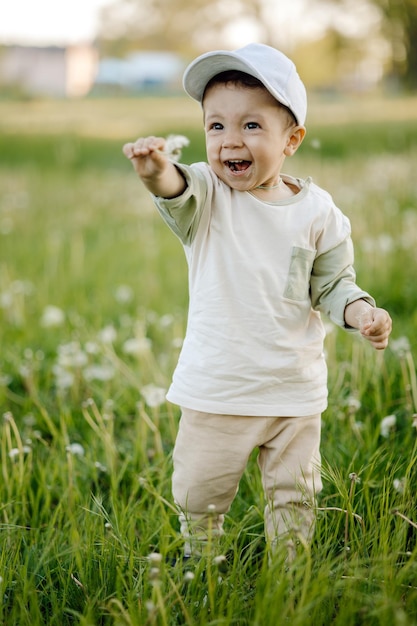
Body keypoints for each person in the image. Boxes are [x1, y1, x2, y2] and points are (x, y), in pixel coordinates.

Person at [123, 43, 392, 558]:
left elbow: (333, 283)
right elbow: (172, 184)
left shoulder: (318, 212)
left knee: (295, 497)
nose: (229, 141)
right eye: (216, 126)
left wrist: (362, 313)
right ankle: (199, 567)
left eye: (251, 126)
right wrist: (154, 168)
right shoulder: (206, 196)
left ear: (291, 139)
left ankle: (290, 579)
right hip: (220, 389)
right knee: (200, 493)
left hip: (294, 389)